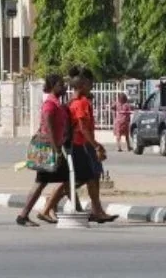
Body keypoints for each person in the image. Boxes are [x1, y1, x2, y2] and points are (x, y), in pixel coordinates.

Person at [60, 67, 116, 223]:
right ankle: (96, 211)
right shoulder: (81, 103)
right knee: (82, 179)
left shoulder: (72, 102)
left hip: (78, 144)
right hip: (81, 145)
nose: (91, 85)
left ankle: (96, 210)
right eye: (89, 83)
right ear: (83, 84)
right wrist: (96, 145)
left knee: (86, 178)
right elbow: (83, 128)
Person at [16, 74, 69, 227]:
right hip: (49, 149)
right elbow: (49, 128)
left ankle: (28, 214)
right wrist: (56, 150)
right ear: (53, 86)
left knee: (63, 180)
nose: (64, 87)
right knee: (45, 182)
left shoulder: (56, 103)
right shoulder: (50, 104)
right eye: (61, 84)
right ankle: (24, 215)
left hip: (54, 147)